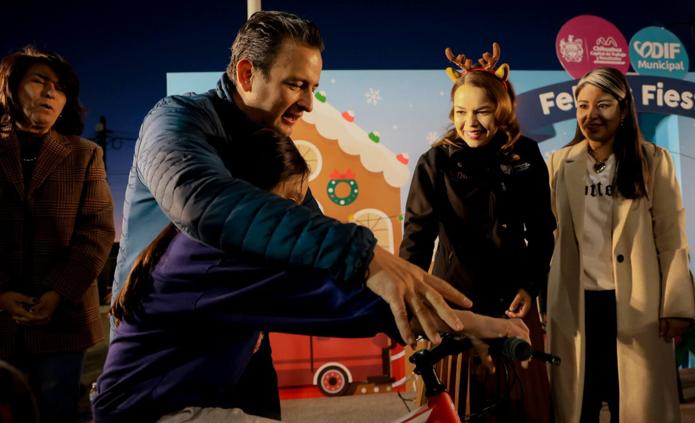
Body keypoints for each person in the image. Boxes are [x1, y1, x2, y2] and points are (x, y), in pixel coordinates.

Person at [93, 129, 531, 422]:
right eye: (286, 202)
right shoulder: (216, 254)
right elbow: (350, 305)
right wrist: (491, 325)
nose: (292, 218)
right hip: (150, 413)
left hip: (171, 403)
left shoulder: (209, 243)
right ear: (249, 196)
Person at [112, 9, 471, 352]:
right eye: (297, 85)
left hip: (236, 348)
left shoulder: (268, 144)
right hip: (162, 354)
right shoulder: (174, 121)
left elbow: (316, 249)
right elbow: (201, 202)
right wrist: (360, 254)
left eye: (313, 87)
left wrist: (442, 315)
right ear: (247, 74)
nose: (309, 103)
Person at [399, 43, 555, 422]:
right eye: (461, 111)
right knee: (462, 405)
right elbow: (417, 239)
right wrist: (411, 301)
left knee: (521, 406)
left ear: (501, 110)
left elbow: (541, 230)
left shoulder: (526, 155)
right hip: (455, 301)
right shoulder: (435, 162)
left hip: (513, 300)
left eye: (482, 111)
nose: (470, 122)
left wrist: (530, 286)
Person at [546, 67, 694, 422]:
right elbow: (550, 236)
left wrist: (675, 305)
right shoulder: (559, 163)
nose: (591, 115)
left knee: (632, 403)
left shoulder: (653, 161)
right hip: (577, 304)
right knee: (579, 402)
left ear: (624, 109)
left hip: (635, 303)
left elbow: (671, 237)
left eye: (604, 105)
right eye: (583, 106)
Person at [0, 47, 115, 423]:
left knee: (56, 413)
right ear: (11, 88)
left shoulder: (85, 154)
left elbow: (96, 232)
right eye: (39, 81)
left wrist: (57, 292)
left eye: (60, 87)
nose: (51, 92)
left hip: (63, 320)